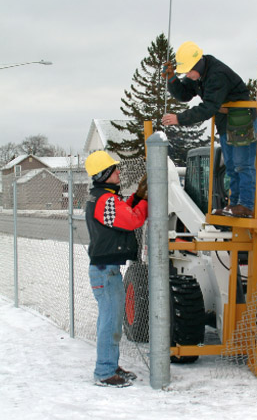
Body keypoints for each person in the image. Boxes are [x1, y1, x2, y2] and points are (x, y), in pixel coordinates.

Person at [161, 41, 256, 218]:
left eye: (189, 71)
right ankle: (234, 205)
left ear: (198, 63)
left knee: (243, 164)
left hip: (242, 120)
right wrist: (172, 79)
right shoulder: (198, 74)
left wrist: (179, 119)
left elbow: (209, 107)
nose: (188, 75)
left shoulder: (216, 75)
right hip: (226, 122)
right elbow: (184, 94)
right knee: (232, 166)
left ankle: (246, 205)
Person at [84, 150, 148, 387]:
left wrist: (137, 197)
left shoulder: (103, 197)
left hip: (106, 269)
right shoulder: (105, 200)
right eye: (115, 169)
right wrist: (146, 201)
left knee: (110, 321)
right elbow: (131, 220)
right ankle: (104, 372)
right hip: (106, 270)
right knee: (110, 323)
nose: (119, 171)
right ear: (104, 174)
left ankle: (111, 365)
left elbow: (121, 213)